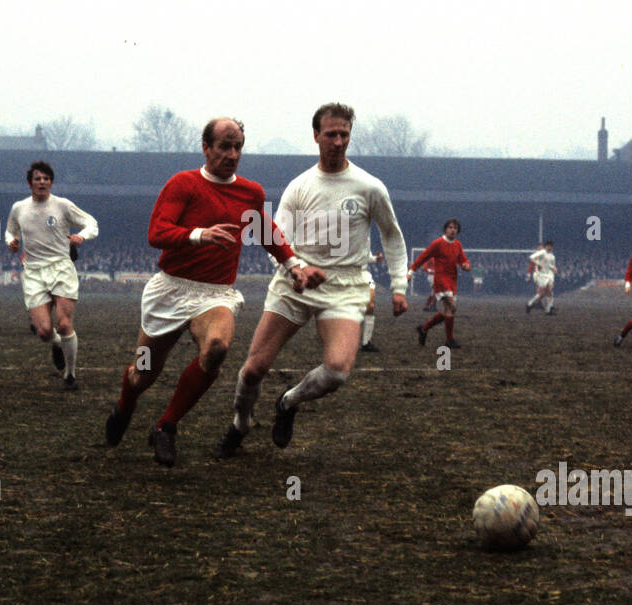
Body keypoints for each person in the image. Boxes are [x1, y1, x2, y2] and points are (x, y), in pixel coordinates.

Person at [105, 118, 319, 467]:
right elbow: (157, 232)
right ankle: (125, 404)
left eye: (237, 147)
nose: (232, 154)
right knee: (143, 374)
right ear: (206, 148)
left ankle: (165, 426)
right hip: (170, 290)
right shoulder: (182, 183)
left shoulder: (251, 192)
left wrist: (293, 265)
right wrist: (198, 234)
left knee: (217, 348)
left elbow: (267, 232)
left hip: (215, 294)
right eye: (224, 146)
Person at [219, 102, 408, 457]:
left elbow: (392, 236)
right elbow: (277, 240)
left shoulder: (370, 187)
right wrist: (299, 269)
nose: (338, 141)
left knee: (337, 371)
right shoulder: (299, 187)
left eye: (344, 135)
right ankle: (240, 423)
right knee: (253, 369)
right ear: (316, 136)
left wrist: (399, 287)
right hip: (296, 283)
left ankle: (288, 401)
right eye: (331, 134)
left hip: (344, 288)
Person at [5, 161, 99, 388]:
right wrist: (12, 242)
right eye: (37, 179)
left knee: (65, 324)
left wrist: (82, 236)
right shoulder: (19, 208)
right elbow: (9, 230)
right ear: (30, 183)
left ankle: (70, 374)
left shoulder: (63, 205)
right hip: (34, 272)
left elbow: (91, 222)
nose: (42, 182)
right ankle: (57, 344)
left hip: (61, 268)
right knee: (45, 331)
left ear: (51, 182)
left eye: (46, 179)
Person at [410, 218, 471, 348]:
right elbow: (424, 256)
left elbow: (463, 260)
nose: (452, 230)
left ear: (458, 231)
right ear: (445, 229)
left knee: (446, 312)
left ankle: (424, 328)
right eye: (450, 227)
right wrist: (411, 270)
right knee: (452, 307)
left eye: (455, 228)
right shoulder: (438, 243)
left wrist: (466, 266)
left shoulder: (457, 245)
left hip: (452, 281)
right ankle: (449, 340)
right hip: (441, 280)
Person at [360, 250, 385, 352]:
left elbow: (368, 258)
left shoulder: (365, 238)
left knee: (371, 305)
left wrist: (375, 259)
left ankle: (366, 343)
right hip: (349, 276)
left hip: (366, 276)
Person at [525, 240, 557, 314]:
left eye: (551, 246)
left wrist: (554, 268)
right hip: (542, 275)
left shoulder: (552, 256)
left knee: (550, 291)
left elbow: (552, 265)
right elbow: (531, 257)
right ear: (546, 247)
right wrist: (538, 263)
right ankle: (530, 304)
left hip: (549, 275)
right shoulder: (542, 252)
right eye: (548, 246)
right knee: (542, 293)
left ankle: (549, 309)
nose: (550, 248)